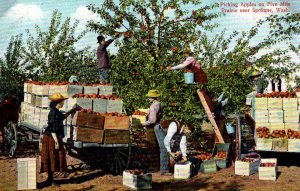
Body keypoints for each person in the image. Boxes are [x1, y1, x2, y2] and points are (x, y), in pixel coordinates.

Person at [40, 93, 80, 187]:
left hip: (54, 137)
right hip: (51, 137)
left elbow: (62, 117)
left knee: (55, 157)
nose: (63, 102)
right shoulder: (53, 113)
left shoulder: (56, 111)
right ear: (58, 102)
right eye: (62, 101)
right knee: (52, 157)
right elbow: (53, 128)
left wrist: (72, 110)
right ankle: (50, 180)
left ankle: (51, 179)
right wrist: (56, 142)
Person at [141, 90, 168, 174]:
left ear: (152, 97)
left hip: (152, 127)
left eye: (149, 97)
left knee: (152, 146)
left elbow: (152, 120)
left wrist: (143, 124)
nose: (148, 98)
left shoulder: (153, 106)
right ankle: (158, 166)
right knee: (156, 146)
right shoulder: (158, 104)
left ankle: (154, 167)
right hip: (157, 126)